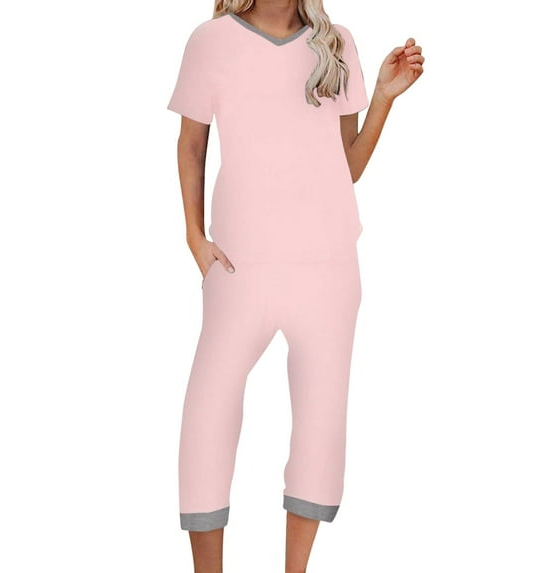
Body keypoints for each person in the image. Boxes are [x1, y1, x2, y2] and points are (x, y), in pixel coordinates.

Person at [166, 1, 424, 571]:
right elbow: (191, 144)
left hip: (328, 267)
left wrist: (383, 97)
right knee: (208, 413)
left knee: (321, 421)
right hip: (240, 265)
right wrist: (194, 235)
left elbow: (346, 166)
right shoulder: (212, 40)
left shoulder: (336, 43)